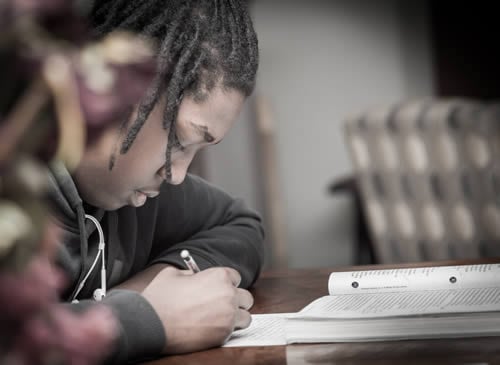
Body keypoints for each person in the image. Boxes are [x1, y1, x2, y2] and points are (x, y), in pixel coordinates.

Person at [47, 0, 264, 363]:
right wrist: (147, 318)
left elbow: (241, 223)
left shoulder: (133, 193)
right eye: (179, 141)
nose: (177, 175)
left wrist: (153, 286)